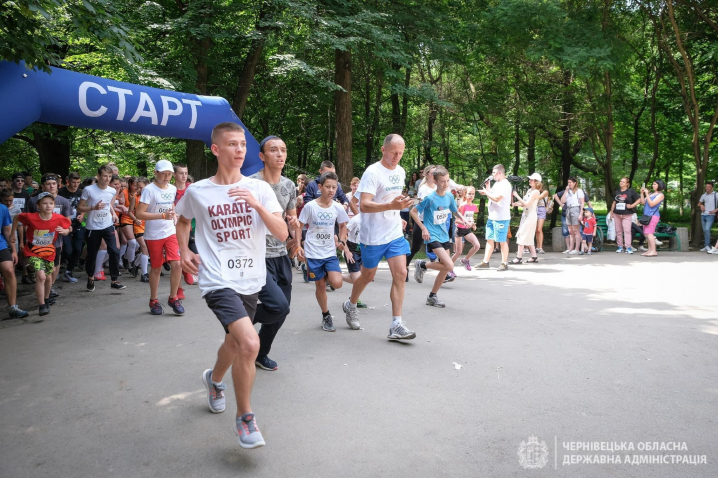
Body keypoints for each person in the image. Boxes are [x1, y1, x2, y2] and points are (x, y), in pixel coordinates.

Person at [176, 121, 286, 449]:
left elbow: (281, 233)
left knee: (236, 343)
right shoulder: (198, 191)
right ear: (216, 149)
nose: (240, 150)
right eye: (232, 144)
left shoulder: (260, 189)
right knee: (250, 344)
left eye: (243, 145)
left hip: (251, 278)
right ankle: (246, 418)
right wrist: (184, 251)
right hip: (217, 279)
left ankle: (214, 379)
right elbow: (182, 221)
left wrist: (255, 205)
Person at [343, 134, 416, 340]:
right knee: (367, 276)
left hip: (393, 232)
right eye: (393, 152)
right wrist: (391, 206)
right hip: (373, 236)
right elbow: (363, 204)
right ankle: (351, 304)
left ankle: (397, 325)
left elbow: (391, 197)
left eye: (400, 153)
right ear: (383, 150)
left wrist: (399, 205)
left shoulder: (400, 171)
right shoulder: (372, 172)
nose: (397, 157)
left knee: (401, 273)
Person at [249, 135, 302, 370]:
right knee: (277, 306)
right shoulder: (250, 184)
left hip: (280, 254)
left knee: (283, 311)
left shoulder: (289, 185)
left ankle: (261, 353)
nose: (280, 154)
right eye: (273, 150)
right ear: (262, 156)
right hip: (257, 254)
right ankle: (239, 320)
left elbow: (292, 219)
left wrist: (294, 232)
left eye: (283, 149)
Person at [297, 172, 349, 331]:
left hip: (329, 252)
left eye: (334, 187)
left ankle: (326, 273)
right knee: (320, 285)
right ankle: (326, 315)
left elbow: (343, 225)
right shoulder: (310, 206)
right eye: (328, 187)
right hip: (313, 252)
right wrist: (299, 245)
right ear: (320, 187)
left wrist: (341, 241)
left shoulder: (338, 207)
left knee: (337, 283)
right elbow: (299, 225)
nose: (331, 190)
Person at [410, 166, 467, 307]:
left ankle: (432, 296)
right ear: (435, 181)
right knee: (449, 264)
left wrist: (463, 219)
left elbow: (454, 211)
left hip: (443, 235)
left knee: (445, 267)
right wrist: (423, 228)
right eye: (442, 181)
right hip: (432, 235)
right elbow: (413, 212)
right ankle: (421, 264)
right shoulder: (430, 198)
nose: (446, 184)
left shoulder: (449, 196)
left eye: (447, 181)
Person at [135, 160, 184, 315]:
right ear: (155, 173)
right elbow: (139, 214)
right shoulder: (149, 190)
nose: (166, 177)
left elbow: (171, 206)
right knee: (156, 267)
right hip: (153, 234)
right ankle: (154, 300)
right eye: (163, 174)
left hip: (170, 232)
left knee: (177, 264)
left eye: (169, 174)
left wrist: (173, 214)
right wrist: (162, 215)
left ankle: (173, 298)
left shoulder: (173, 188)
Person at [11, 192, 71, 316]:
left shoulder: (58, 218)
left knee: (48, 278)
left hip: (49, 252)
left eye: (51, 203)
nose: (48, 206)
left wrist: (65, 231)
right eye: (44, 203)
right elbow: (17, 217)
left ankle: (47, 299)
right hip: (33, 251)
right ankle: (42, 305)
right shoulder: (31, 217)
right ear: (38, 206)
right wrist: (13, 234)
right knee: (42, 277)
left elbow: (69, 227)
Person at [76, 165, 126, 292]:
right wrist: (93, 208)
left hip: (107, 224)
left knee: (114, 251)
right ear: (98, 176)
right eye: (104, 176)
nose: (107, 179)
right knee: (92, 253)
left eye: (109, 176)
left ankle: (114, 280)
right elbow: (80, 208)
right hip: (93, 227)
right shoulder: (89, 190)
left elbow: (109, 204)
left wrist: (113, 214)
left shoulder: (111, 191)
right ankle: (91, 277)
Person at [26, 173, 72, 299]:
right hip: (37, 240)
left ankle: (49, 287)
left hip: (55, 239)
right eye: (48, 184)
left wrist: (66, 230)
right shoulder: (33, 201)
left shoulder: (63, 201)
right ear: (42, 186)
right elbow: (26, 221)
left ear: (58, 185)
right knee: (38, 266)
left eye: (54, 183)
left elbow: (68, 223)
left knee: (55, 263)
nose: (51, 186)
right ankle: (31, 270)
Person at [477, 164, 512, 271]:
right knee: (489, 239)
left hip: (501, 218)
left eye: (493, 173)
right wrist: (487, 188)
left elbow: (497, 199)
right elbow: (491, 195)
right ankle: (485, 262)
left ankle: (504, 263)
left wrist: (487, 192)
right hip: (492, 217)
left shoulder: (505, 185)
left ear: (500, 173)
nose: (492, 175)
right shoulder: (497, 184)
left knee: (502, 241)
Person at [405, 164, 437, 280]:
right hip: (422, 220)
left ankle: (446, 272)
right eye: (433, 173)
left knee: (440, 245)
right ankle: (405, 266)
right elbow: (422, 206)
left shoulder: (438, 187)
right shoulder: (424, 189)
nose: (435, 175)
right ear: (427, 175)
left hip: (434, 221)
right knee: (415, 248)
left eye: (436, 173)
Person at [0, 192, 28, 319]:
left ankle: (13, 307)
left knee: (9, 270)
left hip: (1, 244)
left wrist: (13, 250)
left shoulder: (3, 209)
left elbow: (7, 230)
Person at [58, 172, 85, 283]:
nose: (75, 185)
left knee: (78, 249)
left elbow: (85, 206)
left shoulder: (81, 192)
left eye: (78, 182)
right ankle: (60, 267)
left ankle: (68, 271)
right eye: (73, 182)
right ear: (68, 181)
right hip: (64, 224)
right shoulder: (61, 193)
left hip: (77, 224)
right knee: (67, 250)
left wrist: (82, 215)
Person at [510, 173, 542, 264]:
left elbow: (527, 204)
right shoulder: (530, 191)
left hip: (531, 215)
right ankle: (534, 257)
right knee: (530, 237)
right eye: (530, 179)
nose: (529, 181)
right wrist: (517, 204)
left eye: (531, 180)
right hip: (526, 214)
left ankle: (519, 258)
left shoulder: (536, 192)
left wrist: (516, 196)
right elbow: (525, 203)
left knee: (522, 234)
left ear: (536, 182)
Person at [451, 186, 480, 270]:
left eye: (473, 194)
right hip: (459, 230)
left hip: (467, 230)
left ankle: (466, 259)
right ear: (465, 194)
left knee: (477, 246)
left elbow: (471, 218)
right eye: (469, 194)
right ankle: (448, 267)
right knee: (458, 252)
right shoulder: (462, 205)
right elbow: (456, 221)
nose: (471, 195)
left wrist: (473, 224)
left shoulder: (474, 206)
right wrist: (465, 222)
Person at [609, 177, 640, 254]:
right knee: (618, 231)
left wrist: (632, 205)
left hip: (627, 214)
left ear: (627, 184)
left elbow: (639, 199)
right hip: (617, 214)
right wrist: (611, 212)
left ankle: (628, 247)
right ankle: (620, 247)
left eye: (623, 182)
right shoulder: (617, 192)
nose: (621, 183)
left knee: (627, 231)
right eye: (620, 181)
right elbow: (614, 203)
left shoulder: (631, 191)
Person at [128, 177, 150, 282]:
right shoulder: (135, 197)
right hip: (138, 226)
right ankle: (144, 274)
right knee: (144, 248)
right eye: (138, 187)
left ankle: (135, 264)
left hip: (149, 226)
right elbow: (129, 212)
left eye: (142, 187)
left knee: (147, 249)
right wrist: (136, 219)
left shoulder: (151, 197)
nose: (139, 189)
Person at [559, 177, 585, 254]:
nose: (569, 184)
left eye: (570, 182)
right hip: (568, 209)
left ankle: (577, 249)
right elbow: (562, 201)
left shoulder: (579, 191)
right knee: (570, 231)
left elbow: (582, 203)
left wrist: (581, 213)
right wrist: (566, 190)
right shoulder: (568, 191)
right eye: (568, 182)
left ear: (574, 183)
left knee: (576, 230)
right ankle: (570, 248)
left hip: (575, 209)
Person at [639, 180, 665, 257]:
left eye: (655, 184)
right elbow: (643, 202)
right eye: (653, 184)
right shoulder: (651, 194)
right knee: (647, 233)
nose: (653, 185)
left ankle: (653, 251)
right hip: (646, 216)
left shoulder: (660, 195)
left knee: (650, 233)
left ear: (659, 185)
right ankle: (650, 250)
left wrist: (647, 194)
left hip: (653, 216)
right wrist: (642, 193)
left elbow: (651, 204)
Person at [699, 181, 717, 252]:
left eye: (709, 187)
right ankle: (706, 245)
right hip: (703, 215)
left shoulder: (716, 194)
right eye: (706, 187)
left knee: (707, 229)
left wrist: (715, 210)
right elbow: (699, 203)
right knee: (705, 231)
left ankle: (708, 245)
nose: (707, 188)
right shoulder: (703, 195)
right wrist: (701, 205)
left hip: (711, 215)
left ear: (712, 187)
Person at [534, 181, 550, 254]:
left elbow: (538, 197)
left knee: (539, 229)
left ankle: (540, 247)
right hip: (534, 209)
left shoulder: (545, 192)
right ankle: (537, 246)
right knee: (535, 230)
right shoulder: (533, 191)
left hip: (541, 209)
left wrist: (535, 192)